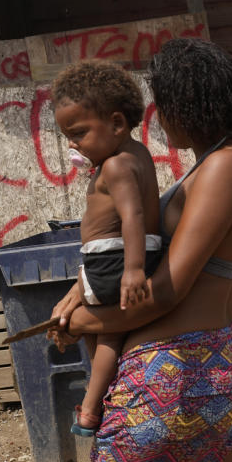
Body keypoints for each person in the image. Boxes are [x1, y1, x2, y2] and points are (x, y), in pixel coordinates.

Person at [48, 38, 232, 462]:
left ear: (185, 105)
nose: (158, 119)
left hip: (177, 372)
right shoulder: (218, 161)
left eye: (162, 105)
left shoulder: (224, 166)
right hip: (219, 364)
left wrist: (87, 323)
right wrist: (79, 293)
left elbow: (167, 291)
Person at [51, 60, 163, 437]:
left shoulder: (114, 166)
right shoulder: (136, 154)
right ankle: (102, 399)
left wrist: (132, 270)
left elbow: (132, 216)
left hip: (115, 259)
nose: (72, 143)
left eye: (79, 132)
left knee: (107, 334)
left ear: (116, 124)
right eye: (68, 134)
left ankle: (90, 408)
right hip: (127, 255)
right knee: (108, 332)